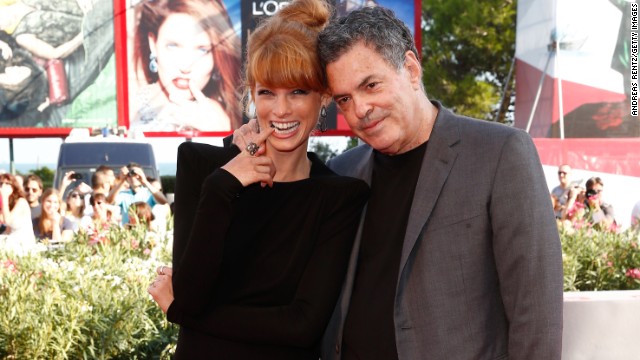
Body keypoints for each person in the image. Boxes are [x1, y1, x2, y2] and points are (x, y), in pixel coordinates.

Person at [310, 6, 562, 359]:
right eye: (344, 99)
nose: (360, 110)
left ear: (411, 70)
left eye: (371, 85)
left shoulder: (500, 153)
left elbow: (535, 312)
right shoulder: (341, 171)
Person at [147, 0, 369, 358]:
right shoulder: (202, 167)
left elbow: (300, 327)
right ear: (252, 94)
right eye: (267, 92)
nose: (281, 110)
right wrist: (224, 184)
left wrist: (180, 312)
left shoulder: (339, 196)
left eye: (298, 91)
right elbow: (191, 293)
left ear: (323, 98)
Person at [129, 0, 242, 132]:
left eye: (202, 50)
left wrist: (224, 135)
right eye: (173, 46)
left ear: (218, 57)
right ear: (153, 44)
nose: (185, 66)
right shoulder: (128, 108)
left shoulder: (236, 118)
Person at [0, 173, 36, 253]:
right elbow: (8, 229)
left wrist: (4, 196)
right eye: (1, 184)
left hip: (24, 245)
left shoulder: (21, 202)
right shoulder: (8, 205)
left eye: (7, 184)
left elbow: (8, 221)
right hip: (12, 242)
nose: (3, 187)